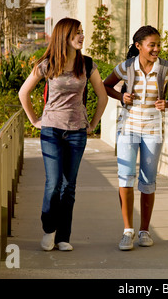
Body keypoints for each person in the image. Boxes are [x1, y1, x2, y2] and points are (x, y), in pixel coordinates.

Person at [19, 18, 108, 251]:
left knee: (69, 185)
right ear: (63, 36)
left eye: (82, 32)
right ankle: (49, 230)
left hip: (77, 131)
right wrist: (34, 120)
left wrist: (94, 123)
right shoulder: (48, 64)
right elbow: (23, 93)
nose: (81, 36)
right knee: (53, 183)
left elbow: (103, 96)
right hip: (51, 130)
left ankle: (63, 237)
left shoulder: (87, 64)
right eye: (76, 33)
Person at [104, 25, 168, 250]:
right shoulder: (126, 67)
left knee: (148, 181)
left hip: (153, 131)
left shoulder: (167, 69)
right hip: (128, 129)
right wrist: (122, 96)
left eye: (158, 45)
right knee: (125, 178)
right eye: (152, 45)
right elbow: (106, 86)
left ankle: (144, 231)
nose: (157, 49)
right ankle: (127, 231)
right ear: (138, 46)